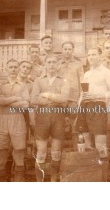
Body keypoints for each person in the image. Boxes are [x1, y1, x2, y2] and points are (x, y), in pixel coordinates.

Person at [76, 46, 110, 181]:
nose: (91, 57)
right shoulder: (86, 74)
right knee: (87, 145)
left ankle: (103, 178)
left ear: (100, 56)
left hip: (99, 106)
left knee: (100, 146)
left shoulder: (107, 72)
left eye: (94, 54)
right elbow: (83, 93)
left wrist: (99, 95)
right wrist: (79, 109)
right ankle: (91, 177)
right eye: (89, 55)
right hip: (85, 107)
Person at [31, 54, 69, 182]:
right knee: (41, 151)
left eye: (54, 62)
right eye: (49, 62)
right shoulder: (38, 80)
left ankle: (54, 179)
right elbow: (34, 99)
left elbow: (64, 98)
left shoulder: (64, 80)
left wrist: (46, 95)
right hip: (42, 116)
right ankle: (39, 181)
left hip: (58, 116)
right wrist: (54, 99)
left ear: (58, 65)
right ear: (45, 64)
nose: (52, 64)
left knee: (56, 151)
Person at [0, 59, 30, 182]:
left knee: (19, 153)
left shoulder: (23, 85)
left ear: (18, 69)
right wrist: (14, 98)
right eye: (10, 67)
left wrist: (5, 100)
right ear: (6, 69)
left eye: (15, 67)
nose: (13, 69)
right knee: (1, 156)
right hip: (2, 119)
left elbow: (25, 105)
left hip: (18, 119)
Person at [57, 41, 84, 142]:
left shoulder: (78, 64)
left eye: (69, 49)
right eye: (65, 49)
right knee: (60, 121)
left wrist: (81, 96)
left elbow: (82, 80)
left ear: (72, 50)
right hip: (60, 97)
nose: (67, 51)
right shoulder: (57, 64)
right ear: (62, 50)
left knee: (74, 122)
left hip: (74, 96)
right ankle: (60, 146)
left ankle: (75, 145)